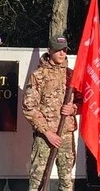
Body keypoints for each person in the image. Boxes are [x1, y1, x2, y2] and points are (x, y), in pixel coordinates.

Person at [23, 35, 79, 191]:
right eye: (58, 50)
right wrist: (47, 132)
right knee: (38, 182)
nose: (62, 54)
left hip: (66, 136)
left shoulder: (72, 75)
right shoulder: (38, 75)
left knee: (67, 182)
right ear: (50, 50)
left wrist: (73, 109)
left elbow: (84, 101)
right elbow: (29, 107)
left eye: (65, 50)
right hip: (45, 137)